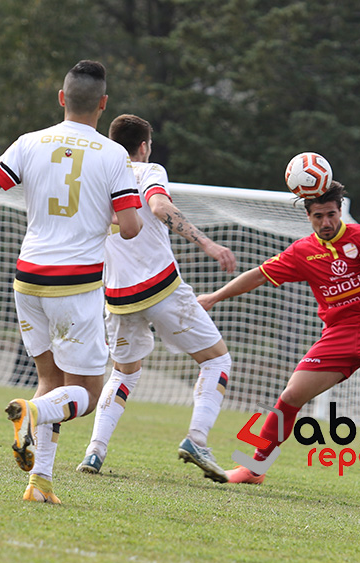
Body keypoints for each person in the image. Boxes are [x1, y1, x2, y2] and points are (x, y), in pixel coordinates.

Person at [198, 181, 360, 507]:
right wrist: (214, 296)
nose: (327, 222)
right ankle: (255, 467)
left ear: (341, 212)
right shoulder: (302, 252)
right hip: (339, 336)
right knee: (291, 396)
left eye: (332, 214)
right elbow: (257, 275)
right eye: (319, 216)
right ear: (309, 217)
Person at [0, 60, 143, 504]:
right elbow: (133, 225)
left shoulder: (29, 142)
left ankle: (40, 481)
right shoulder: (114, 154)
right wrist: (106, 224)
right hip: (75, 285)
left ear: (62, 98)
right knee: (86, 391)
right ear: (103, 104)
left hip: (28, 279)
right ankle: (30, 413)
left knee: (51, 381)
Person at [76, 114, 236, 482]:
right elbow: (160, 207)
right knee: (217, 361)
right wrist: (208, 243)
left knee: (123, 374)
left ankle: (95, 451)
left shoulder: (96, 177)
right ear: (144, 147)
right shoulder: (148, 171)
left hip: (117, 295)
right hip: (160, 286)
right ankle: (197, 438)